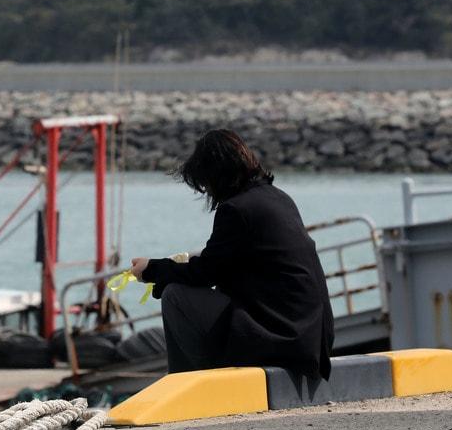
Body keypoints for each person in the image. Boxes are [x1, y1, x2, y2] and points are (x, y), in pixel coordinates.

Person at [131, 129, 333, 380]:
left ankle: (188, 385)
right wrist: (167, 271)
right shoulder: (279, 198)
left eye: (205, 183)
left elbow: (206, 273)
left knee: (176, 296)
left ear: (216, 175)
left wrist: (151, 270)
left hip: (281, 337)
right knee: (179, 289)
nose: (207, 191)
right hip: (311, 337)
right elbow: (223, 266)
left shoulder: (236, 210)